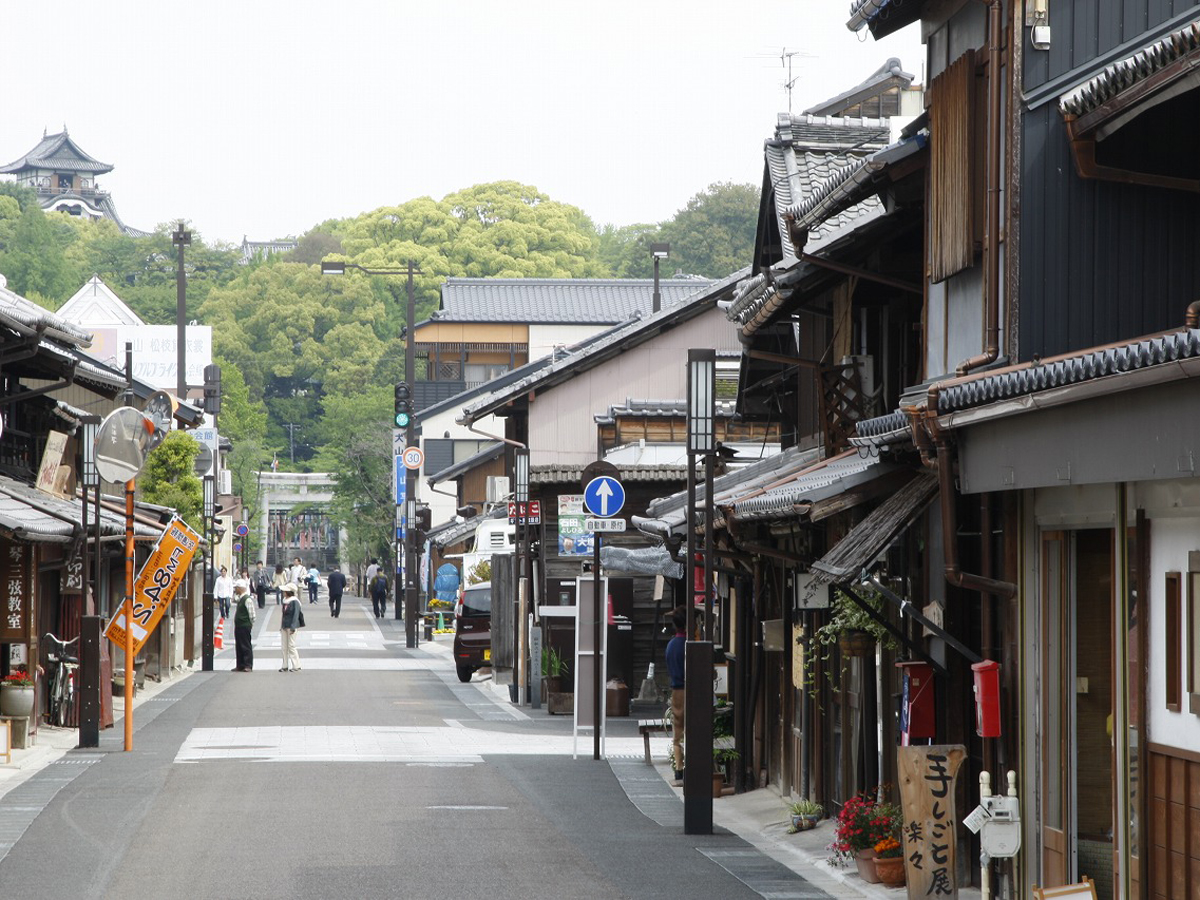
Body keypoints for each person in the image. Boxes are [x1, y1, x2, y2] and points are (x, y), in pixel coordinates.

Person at [666, 606, 688, 783]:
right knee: (693, 730)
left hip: (676, 691)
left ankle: (679, 769)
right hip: (691, 691)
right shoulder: (690, 645)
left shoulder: (671, 645)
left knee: (677, 735)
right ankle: (692, 767)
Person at [232, 579, 256, 672]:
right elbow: (234, 599)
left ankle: (248, 665)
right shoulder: (240, 598)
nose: (235, 590)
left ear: (240, 588)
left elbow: (252, 613)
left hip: (244, 625)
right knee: (239, 645)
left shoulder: (247, 599)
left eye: (236, 588)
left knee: (245, 645)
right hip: (239, 625)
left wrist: (251, 623)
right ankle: (240, 664)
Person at [279, 584, 303, 672]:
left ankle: (296, 665)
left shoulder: (295, 601)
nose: (283, 593)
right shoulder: (285, 601)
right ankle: (285, 665)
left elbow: (296, 615)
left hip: (291, 625)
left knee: (291, 646)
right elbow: (283, 615)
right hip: (285, 626)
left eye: (285, 591)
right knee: (284, 646)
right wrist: (281, 626)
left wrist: (293, 627)